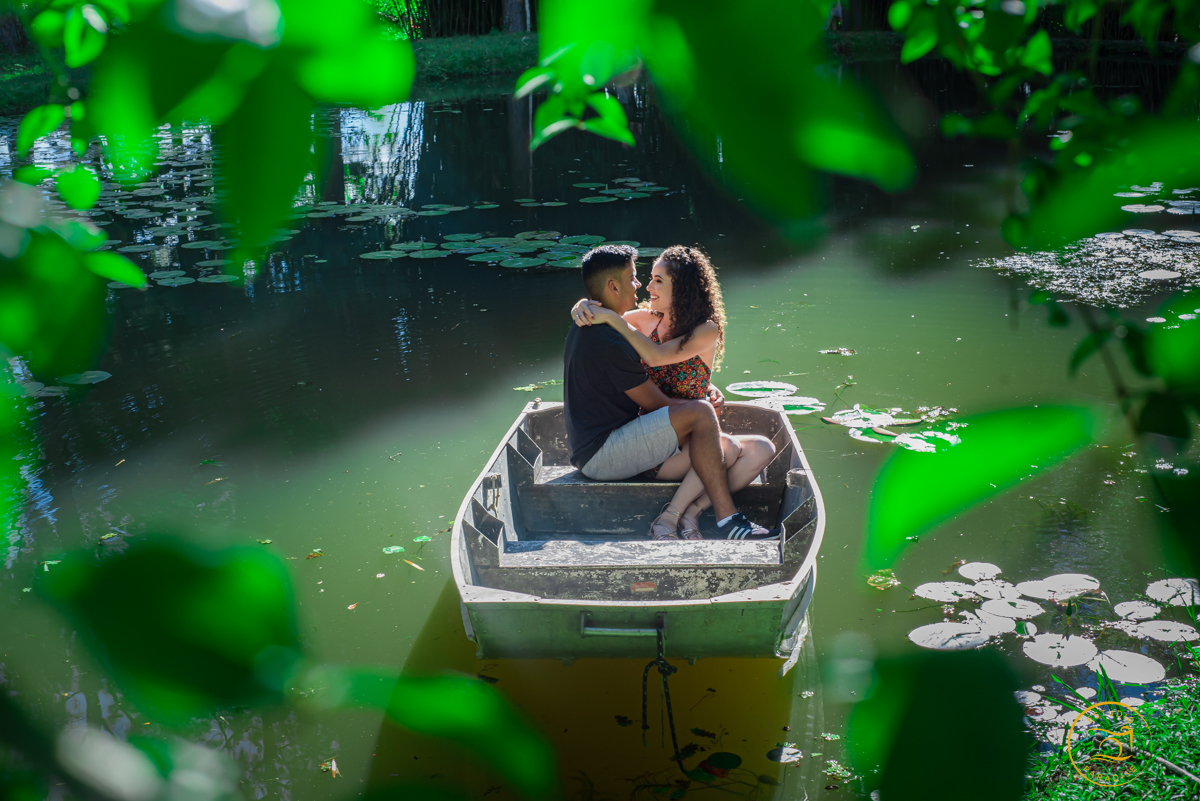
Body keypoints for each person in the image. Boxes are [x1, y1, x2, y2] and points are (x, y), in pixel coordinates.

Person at [562, 244, 777, 542]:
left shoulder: (705, 330)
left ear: (684, 287)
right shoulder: (635, 322)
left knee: (762, 448)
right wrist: (584, 305)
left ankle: (692, 512)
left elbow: (659, 355)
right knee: (723, 444)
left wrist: (705, 391)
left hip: (672, 434)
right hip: (654, 435)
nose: (646, 286)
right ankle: (711, 518)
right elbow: (609, 311)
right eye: (644, 278)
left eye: (657, 280)